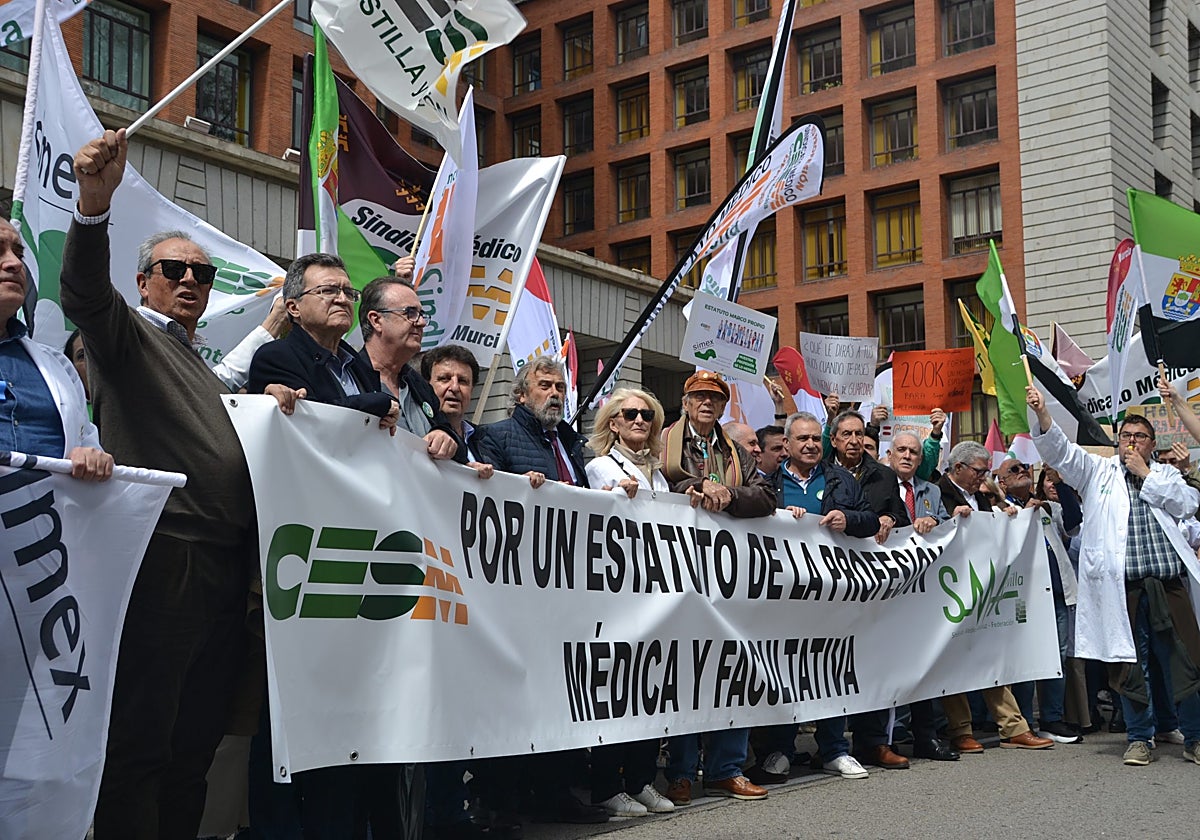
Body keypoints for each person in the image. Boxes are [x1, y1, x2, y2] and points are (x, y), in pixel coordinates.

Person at [63, 128, 259, 838]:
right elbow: (83, 292)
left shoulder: (203, 364)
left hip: (221, 568)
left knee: (193, 747)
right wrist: (94, 206)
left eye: (202, 276)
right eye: (173, 269)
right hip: (161, 556)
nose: (188, 282)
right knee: (142, 743)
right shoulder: (125, 337)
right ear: (144, 280)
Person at [1029, 383, 1200, 767]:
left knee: (1185, 661)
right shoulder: (1097, 472)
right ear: (1117, 440)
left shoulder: (1166, 475)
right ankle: (1139, 738)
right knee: (1129, 665)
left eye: (1140, 437)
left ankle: (1195, 737)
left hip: (1167, 585)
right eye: (1126, 436)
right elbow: (1061, 452)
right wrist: (1043, 415)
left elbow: (1188, 505)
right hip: (1121, 589)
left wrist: (1146, 474)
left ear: (1151, 444)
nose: (1132, 443)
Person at [470, 356, 607, 826]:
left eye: (559, 386)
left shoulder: (568, 441)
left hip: (566, 590)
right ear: (521, 394)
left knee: (560, 693)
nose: (554, 393)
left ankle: (556, 790)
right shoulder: (500, 436)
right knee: (518, 694)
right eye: (544, 385)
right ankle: (505, 799)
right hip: (522, 592)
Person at [659, 370, 774, 805]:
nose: (706, 403)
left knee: (735, 668)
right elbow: (656, 481)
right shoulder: (663, 440)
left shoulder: (736, 451)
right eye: (698, 396)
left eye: (714, 397)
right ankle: (682, 772)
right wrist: (693, 485)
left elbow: (765, 496)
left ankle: (727, 768)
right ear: (685, 402)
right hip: (681, 573)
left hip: (729, 577)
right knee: (689, 670)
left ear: (724, 407)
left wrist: (728, 494)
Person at [748, 411, 879, 784]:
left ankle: (835, 749)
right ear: (786, 444)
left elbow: (871, 519)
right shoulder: (767, 483)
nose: (809, 445)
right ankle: (781, 751)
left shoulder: (840, 480)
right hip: (784, 597)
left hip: (832, 593)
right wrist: (777, 515)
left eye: (814, 439)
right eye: (801, 439)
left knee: (830, 668)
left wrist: (847, 519)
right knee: (785, 670)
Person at [582, 388, 675, 817]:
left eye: (647, 415)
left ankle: (639, 780)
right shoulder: (601, 467)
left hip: (654, 592)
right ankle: (605, 784)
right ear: (613, 423)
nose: (640, 421)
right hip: (616, 593)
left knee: (649, 688)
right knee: (615, 689)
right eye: (630, 414)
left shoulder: (659, 475)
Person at [937, 440, 1055, 754]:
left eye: (986, 471)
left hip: (984, 585)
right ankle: (961, 730)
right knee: (953, 660)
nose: (982, 476)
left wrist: (1013, 517)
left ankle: (1014, 727)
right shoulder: (938, 491)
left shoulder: (983, 497)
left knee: (991, 655)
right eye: (978, 471)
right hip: (951, 589)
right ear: (958, 467)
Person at [824, 409, 911, 769]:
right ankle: (829, 744)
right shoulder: (823, 474)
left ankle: (873, 742)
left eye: (860, 434)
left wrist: (891, 518)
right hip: (830, 585)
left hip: (872, 584)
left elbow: (902, 521)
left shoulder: (885, 476)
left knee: (872, 659)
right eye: (846, 434)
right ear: (834, 440)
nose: (855, 441)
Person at [0, 219, 110, 479]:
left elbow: (88, 444)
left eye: (18, 253)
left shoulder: (58, 367)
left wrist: (92, 457)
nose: (15, 264)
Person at [247, 254, 400, 432]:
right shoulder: (275, 357)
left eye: (349, 293)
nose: (342, 300)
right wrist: (376, 403)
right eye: (328, 291)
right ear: (294, 308)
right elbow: (308, 421)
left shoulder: (357, 364)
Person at [997, 457, 1083, 744]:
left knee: (1056, 656)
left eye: (1025, 468)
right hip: (1022, 598)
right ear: (1002, 482)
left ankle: (1052, 719)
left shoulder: (1047, 508)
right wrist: (1011, 513)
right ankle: (1024, 721)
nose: (1022, 472)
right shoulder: (998, 511)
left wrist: (1057, 482)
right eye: (1014, 470)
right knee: (1025, 658)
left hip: (1056, 595)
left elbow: (1073, 520)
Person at [885, 431, 960, 762]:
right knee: (889, 664)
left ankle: (926, 736)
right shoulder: (880, 484)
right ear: (889, 455)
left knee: (924, 663)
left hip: (925, 590)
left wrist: (944, 521)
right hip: (889, 590)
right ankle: (884, 737)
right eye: (900, 450)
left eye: (913, 452)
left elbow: (946, 528)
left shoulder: (930, 489)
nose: (907, 456)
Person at [420, 343, 490, 470]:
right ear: (426, 385)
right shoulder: (415, 431)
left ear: (472, 389)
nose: (455, 388)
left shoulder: (486, 439)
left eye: (463, 381)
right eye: (444, 379)